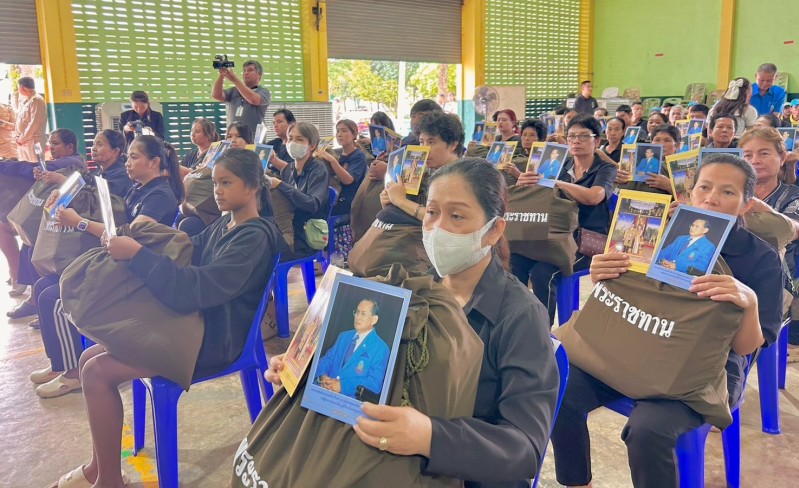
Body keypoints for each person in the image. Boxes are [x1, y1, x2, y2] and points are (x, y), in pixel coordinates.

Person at [267, 157, 559, 486]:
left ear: (494, 230)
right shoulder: (412, 286)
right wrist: (307, 366)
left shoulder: (519, 316)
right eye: (432, 212)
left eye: (457, 216)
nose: (437, 229)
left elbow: (524, 449)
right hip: (390, 460)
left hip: (465, 474)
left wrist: (431, 437)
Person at [47, 148, 284, 488]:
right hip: (197, 323)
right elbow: (186, 248)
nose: (217, 190)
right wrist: (146, 236)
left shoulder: (253, 237)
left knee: (97, 373)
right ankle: (98, 468)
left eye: (227, 183)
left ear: (253, 187)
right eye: (215, 182)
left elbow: (196, 288)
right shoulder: (228, 223)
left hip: (214, 339)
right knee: (87, 359)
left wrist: (139, 256)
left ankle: (109, 479)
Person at [551, 154, 784, 488]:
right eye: (704, 187)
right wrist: (602, 273)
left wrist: (749, 302)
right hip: (633, 342)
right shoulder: (656, 233)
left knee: (648, 431)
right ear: (689, 193)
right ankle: (577, 483)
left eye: (728, 192)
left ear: (746, 204)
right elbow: (622, 298)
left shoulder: (760, 258)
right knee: (557, 388)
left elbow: (747, 348)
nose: (711, 198)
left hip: (705, 371)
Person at [27, 130, 136, 398]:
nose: (94, 148)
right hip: (98, 250)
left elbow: (116, 222)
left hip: (113, 260)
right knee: (41, 287)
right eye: (94, 144)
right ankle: (59, 363)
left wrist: (70, 198)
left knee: (56, 297)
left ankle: (74, 372)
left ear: (116, 152)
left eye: (101, 145)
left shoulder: (123, 180)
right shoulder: (100, 173)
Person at [514, 115, 618, 321]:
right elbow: (540, 197)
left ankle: (542, 330)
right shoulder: (562, 165)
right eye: (571, 136)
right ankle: (519, 321)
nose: (576, 141)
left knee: (543, 272)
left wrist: (554, 183)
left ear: (597, 141)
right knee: (515, 261)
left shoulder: (605, 168)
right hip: (555, 235)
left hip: (586, 242)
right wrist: (526, 182)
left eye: (583, 136)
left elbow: (594, 196)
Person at [2, 129, 86, 306]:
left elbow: (26, 168)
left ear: (70, 147)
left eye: (56, 144)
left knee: (27, 242)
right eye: (50, 143)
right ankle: (19, 278)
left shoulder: (72, 163)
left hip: (60, 221)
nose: (51, 147)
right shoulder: (59, 164)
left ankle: (21, 281)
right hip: (52, 217)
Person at [739, 127, 799, 360]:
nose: (755, 160)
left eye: (764, 153)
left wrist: (766, 211)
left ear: (782, 158)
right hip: (730, 271)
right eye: (748, 155)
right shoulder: (730, 192)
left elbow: (793, 230)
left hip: (774, 280)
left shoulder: (793, 196)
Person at [381, 112, 463, 219]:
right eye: (421, 142)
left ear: (453, 145)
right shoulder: (423, 171)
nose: (424, 149)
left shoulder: (462, 177)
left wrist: (401, 201)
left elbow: (444, 219)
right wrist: (389, 202)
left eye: (431, 142)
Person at [268, 121, 330, 257]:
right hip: (287, 227)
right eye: (290, 138)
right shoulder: (288, 169)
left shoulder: (318, 169)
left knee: (264, 251)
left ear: (312, 145)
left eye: (299, 139)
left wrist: (280, 185)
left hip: (307, 233)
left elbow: (312, 204)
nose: (293, 143)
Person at [314, 298, 390, 398]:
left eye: (363, 314)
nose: (358, 317)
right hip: (322, 392)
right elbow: (327, 359)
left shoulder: (381, 348)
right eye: (357, 312)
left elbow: (374, 383)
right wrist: (322, 376)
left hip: (347, 401)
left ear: (374, 320)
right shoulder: (343, 336)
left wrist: (343, 385)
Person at [317, 119, 367, 216]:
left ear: (354, 134)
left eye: (344, 131)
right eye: (338, 131)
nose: (339, 134)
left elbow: (348, 180)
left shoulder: (358, 156)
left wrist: (332, 161)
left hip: (347, 200)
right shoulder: (338, 152)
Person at [211, 59, 271, 133]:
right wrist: (222, 75)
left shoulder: (263, 91)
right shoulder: (234, 90)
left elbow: (254, 99)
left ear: (259, 74)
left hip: (252, 137)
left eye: (250, 70)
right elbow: (216, 95)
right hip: (233, 136)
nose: (246, 73)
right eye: (244, 70)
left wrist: (234, 80)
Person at [14, 76, 46, 162]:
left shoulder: (37, 100)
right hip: (24, 141)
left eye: (18, 87)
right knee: (26, 166)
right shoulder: (28, 100)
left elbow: (34, 123)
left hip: (33, 141)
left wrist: (21, 139)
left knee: (35, 165)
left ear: (22, 87)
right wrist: (18, 138)